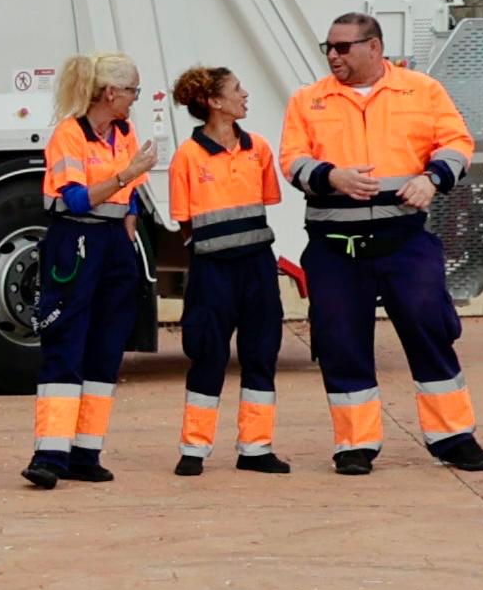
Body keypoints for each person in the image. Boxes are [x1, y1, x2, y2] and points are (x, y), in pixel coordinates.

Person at [278, 13, 483, 475]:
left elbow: (457, 143)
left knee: (430, 329)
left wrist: (432, 179)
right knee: (340, 341)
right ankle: (355, 444)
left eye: (343, 47)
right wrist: (331, 176)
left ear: (374, 47)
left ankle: (453, 437)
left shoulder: (422, 91)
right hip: (335, 247)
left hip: (404, 241)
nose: (333, 56)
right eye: (328, 48)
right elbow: (292, 160)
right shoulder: (308, 100)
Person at [22, 55, 155, 487]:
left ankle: (85, 452)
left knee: (107, 345)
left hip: (114, 241)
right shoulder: (69, 135)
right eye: (132, 90)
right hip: (76, 239)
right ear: (110, 93)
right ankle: (50, 455)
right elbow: (77, 199)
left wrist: (130, 213)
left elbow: (131, 194)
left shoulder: (124, 132)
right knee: (65, 340)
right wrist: (126, 175)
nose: (136, 98)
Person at [162, 69, 294, 477]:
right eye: (237, 89)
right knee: (207, 354)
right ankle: (194, 449)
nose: (245, 94)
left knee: (261, 354)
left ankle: (256, 448)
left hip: (257, 266)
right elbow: (184, 222)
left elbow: (266, 201)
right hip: (212, 271)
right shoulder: (187, 156)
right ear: (215, 102)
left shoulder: (259, 149)